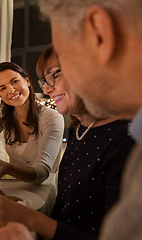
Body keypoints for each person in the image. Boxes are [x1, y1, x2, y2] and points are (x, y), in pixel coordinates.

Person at [0, 46, 134, 240]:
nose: (46, 89)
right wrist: (17, 207)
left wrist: (31, 220)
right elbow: (66, 211)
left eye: (56, 75)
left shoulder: (125, 140)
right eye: (44, 80)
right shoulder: (78, 130)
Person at [38, 1, 142, 239]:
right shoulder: (82, 131)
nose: (48, 88)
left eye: (62, 59)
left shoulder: (128, 141)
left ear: (99, 34)